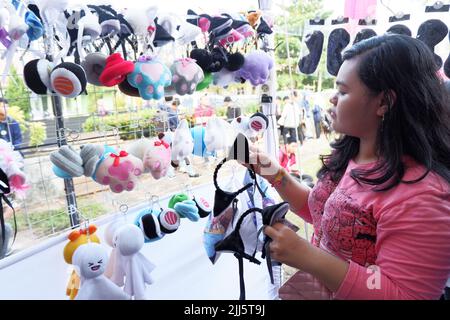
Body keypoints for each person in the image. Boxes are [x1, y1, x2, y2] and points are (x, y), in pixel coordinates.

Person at [242, 34, 450, 299]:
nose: (332, 99)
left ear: (384, 102)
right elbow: (323, 211)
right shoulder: (355, 154)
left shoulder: (424, 195)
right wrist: (265, 167)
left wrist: (307, 256)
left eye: (342, 91)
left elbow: (405, 294)